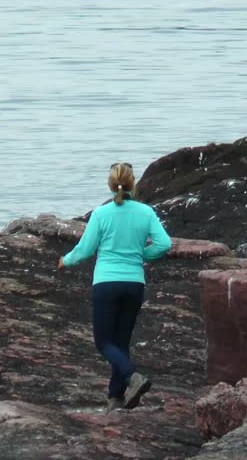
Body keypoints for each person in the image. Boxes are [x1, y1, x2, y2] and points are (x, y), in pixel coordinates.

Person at [58, 162, 172, 413]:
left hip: (107, 283)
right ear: (133, 183)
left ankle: (132, 377)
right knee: (120, 342)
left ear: (110, 185)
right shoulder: (146, 212)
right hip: (134, 284)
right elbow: (164, 244)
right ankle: (115, 398)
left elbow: (86, 249)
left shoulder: (101, 214)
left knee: (103, 342)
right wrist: (144, 255)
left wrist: (66, 260)